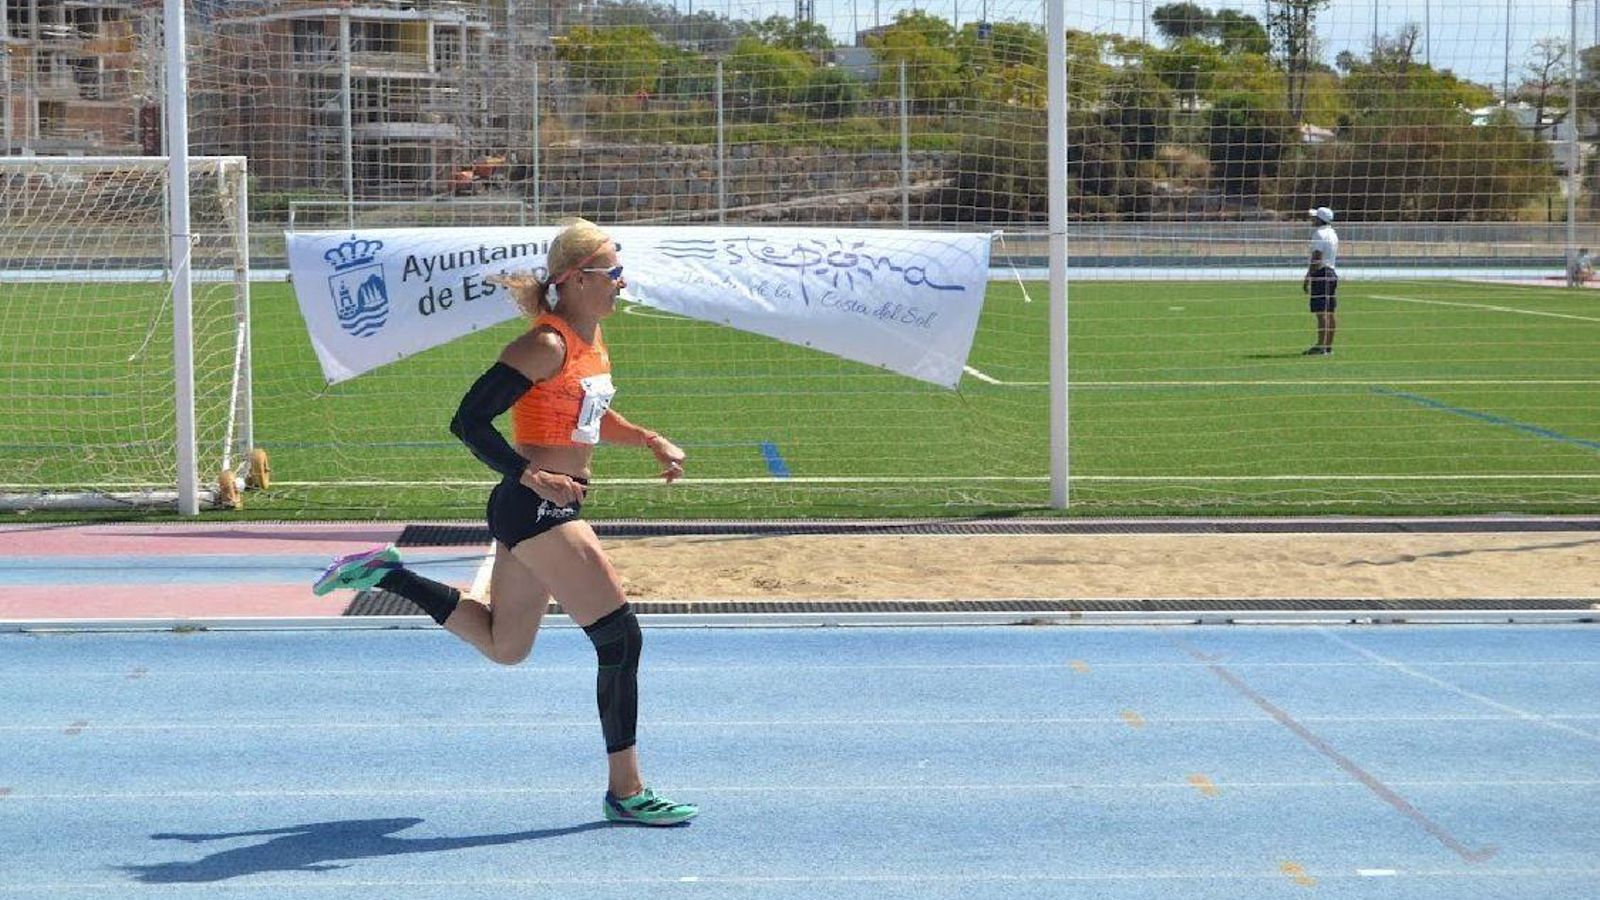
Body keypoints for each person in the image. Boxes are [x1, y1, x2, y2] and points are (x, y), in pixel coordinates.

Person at [312, 218, 697, 827]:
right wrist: (530, 474)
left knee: (504, 645)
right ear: (576, 279)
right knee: (621, 638)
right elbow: (468, 421)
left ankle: (387, 573)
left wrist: (649, 438)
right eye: (613, 272)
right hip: (537, 507)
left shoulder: (589, 340)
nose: (623, 282)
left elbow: (589, 416)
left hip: (544, 507)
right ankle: (626, 791)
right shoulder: (545, 345)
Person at [1301, 206, 1340, 355]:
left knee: (1321, 312)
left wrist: (1308, 278)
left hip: (1321, 273)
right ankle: (1328, 345)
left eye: (1315, 218)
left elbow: (1317, 257)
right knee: (1330, 311)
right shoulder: (1333, 234)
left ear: (1320, 219)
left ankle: (1321, 346)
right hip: (1331, 273)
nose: (1312, 220)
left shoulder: (1319, 234)